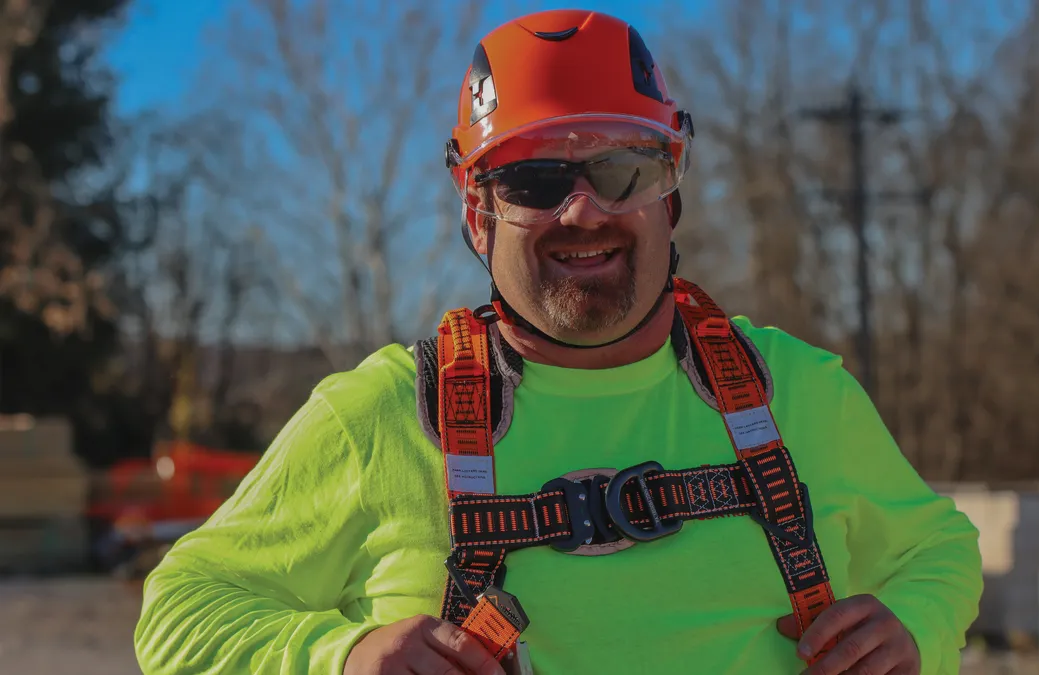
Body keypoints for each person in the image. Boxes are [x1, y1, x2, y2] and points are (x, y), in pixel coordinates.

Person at [133, 9, 982, 675]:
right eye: (535, 179)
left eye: (623, 169)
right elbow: (179, 610)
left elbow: (937, 547)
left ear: (669, 198)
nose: (585, 209)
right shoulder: (382, 417)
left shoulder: (798, 393)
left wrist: (916, 625)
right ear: (477, 214)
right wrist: (341, 654)